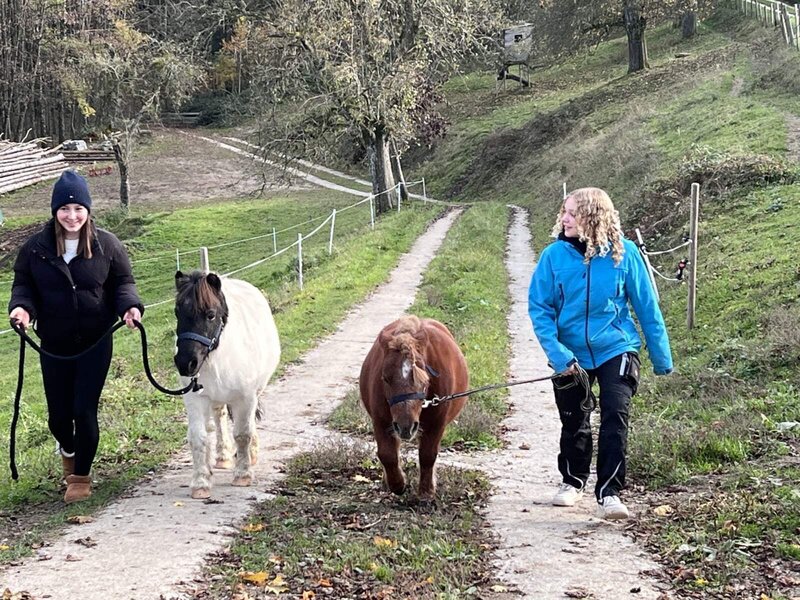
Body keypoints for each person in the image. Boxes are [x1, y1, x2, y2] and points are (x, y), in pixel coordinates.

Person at [528, 187, 673, 520]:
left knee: (614, 417)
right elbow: (540, 308)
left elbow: (646, 306)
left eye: (571, 213)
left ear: (592, 217)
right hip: (569, 354)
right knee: (575, 419)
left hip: (616, 347)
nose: (563, 218)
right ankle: (572, 481)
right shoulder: (553, 256)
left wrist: (661, 357)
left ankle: (610, 492)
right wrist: (558, 353)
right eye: (563, 211)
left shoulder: (627, 254)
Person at [8, 170, 144, 504]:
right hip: (53, 344)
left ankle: (81, 476)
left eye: (78, 209)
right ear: (55, 211)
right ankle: (68, 448)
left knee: (84, 409)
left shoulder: (107, 245)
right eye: (65, 209)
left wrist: (130, 307)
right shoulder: (35, 249)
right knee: (58, 416)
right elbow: (23, 285)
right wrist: (23, 310)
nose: (72, 216)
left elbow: (123, 283)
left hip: (95, 341)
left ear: (88, 210)